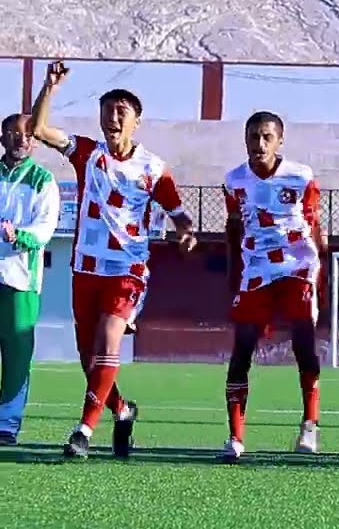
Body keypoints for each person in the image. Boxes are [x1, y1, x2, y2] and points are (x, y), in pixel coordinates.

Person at [30, 61, 196, 459]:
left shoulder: (153, 169)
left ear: (137, 121)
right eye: (108, 110)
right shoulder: (87, 153)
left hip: (127, 269)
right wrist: (49, 88)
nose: (114, 117)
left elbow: (178, 213)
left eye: (122, 111)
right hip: (85, 268)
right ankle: (122, 410)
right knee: (89, 358)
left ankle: (83, 432)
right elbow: (38, 130)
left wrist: (186, 232)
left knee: (107, 342)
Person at [220, 111, 327, 462]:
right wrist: (234, 276)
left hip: (297, 265)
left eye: (267, 137)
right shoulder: (233, 180)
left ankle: (310, 424)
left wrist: (318, 263)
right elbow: (233, 228)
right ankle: (235, 438)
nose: (259, 144)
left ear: (280, 141)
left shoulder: (300, 176)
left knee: (303, 342)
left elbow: (314, 223)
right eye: (253, 136)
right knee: (242, 351)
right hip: (257, 268)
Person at [0, 113, 61, 445]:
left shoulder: (43, 181)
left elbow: (45, 230)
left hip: (19, 280)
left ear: (35, 141)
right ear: (2, 137)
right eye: (14, 132)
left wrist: (18, 235)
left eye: (28, 133)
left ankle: (6, 423)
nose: (22, 139)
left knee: (16, 354)